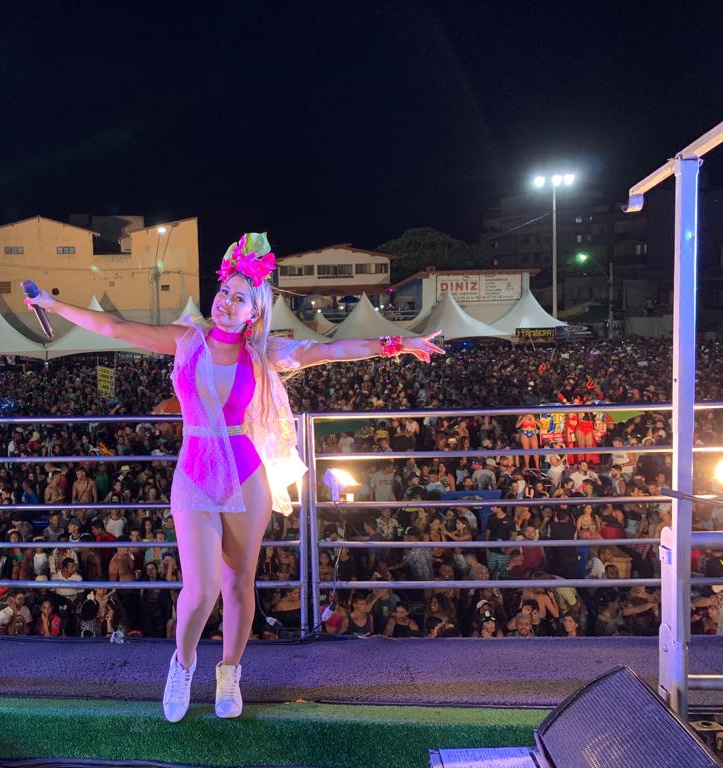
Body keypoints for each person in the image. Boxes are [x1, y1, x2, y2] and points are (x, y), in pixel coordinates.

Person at [25, 232, 444, 722]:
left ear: (254, 312)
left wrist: (399, 343)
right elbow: (115, 327)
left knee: (239, 584)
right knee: (201, 587)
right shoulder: (187, 340)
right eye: (224, 292)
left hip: (246, 473)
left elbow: (331, 349)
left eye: (238, 298)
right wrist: (52, 304)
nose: (225, 302)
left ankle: (230, 672)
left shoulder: (263, 353)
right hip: (195, 472)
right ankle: (182, 665)